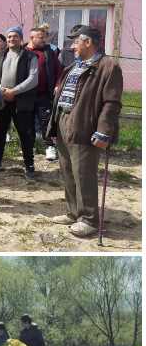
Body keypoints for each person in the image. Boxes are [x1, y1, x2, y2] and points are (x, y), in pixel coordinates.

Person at [46, 24, 123, 239]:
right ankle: (73, 213)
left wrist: (104, 131)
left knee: (83, 174)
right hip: (63, 121)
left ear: (87, 42)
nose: (72, 47)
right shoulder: (74, 66)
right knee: (68, 171)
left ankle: (89, 219)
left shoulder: (108, 66)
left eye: (75, 42)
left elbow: (111, 103)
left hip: (84, 126)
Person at [0, 26, 41, 179]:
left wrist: (14, 91)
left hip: (22, 102)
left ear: (21, 39)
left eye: (15, 36)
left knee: (25, 134)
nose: (12, 39)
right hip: (3, 100)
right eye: (10, 37)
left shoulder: (30, 56)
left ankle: (29, 165)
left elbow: (33, 78)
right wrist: (2, 90)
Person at [28, 24, 63, 162]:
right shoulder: (24, 51)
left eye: (44, 37)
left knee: (46, 122)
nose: (44, 40)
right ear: (32, 38)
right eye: (41, 38)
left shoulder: (49, 52)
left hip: (44, 95)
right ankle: (29, 147)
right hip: (27, 96)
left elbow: (59, 71)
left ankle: (50, 147)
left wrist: (57, 85)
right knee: (28, 123)